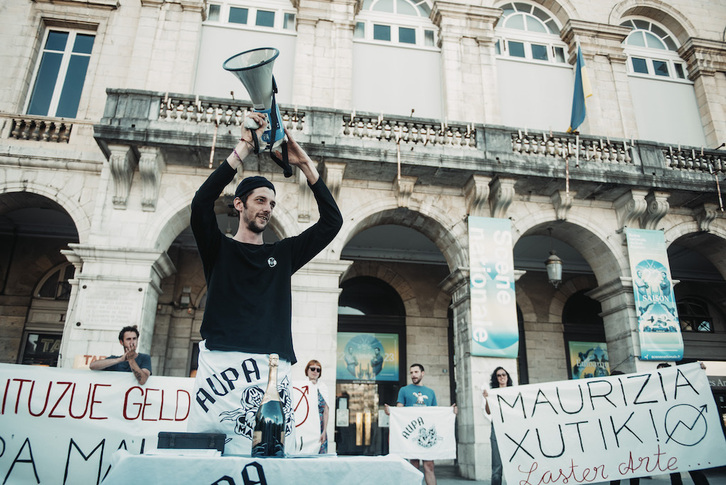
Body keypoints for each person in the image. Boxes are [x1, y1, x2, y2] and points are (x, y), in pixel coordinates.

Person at [187, 111, 343, 454]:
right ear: (239, 204)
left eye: (272, 203)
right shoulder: (219, 249)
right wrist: (243, 147)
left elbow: (332, 223)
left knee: (269, 460)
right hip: (222, 368)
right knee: (212, 460)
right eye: (261, 200)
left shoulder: (283, 254)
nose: (268, 208)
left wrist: (304, 164)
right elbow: (200, 204)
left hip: (273, 371)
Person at [657, 362, 710, 485]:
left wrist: (700, 370)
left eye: (663, 370)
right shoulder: (657, 390)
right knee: (674, 471)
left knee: (694, 468)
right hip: (669, 435)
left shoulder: (681, 385)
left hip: (684, 434)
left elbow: (698, 389)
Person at [385, 363, 439, 485]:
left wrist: (451, 412)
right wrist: (391, 412)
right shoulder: (404, 390)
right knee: (413, 467)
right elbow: (399, 410)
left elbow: (436, 413)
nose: (413, 375)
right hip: (412, 433)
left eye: (416, 372)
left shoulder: (430, 392)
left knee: (429, 466)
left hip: (427, 434)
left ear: (422, 373)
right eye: (411, 373)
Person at [482, 367, 513, 485]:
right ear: (496, 378)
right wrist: (487, 399)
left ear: (507, 376)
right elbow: (489, 411)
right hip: (497, 428)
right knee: (497, 467)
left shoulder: (513, 391)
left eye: (504, 374)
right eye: (499, 375)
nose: (502, 377)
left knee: (516, 463)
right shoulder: (492, 392)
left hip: (512, 428)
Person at [304, 359, 329, 454]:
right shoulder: (301, 385)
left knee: (320, 453)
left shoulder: (323, 387)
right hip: (307, 425)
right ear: (307, 370)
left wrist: (324, 431)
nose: (315, 372)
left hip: (320, 425)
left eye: (318, 370)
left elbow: (326, 411)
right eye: (312, 369)